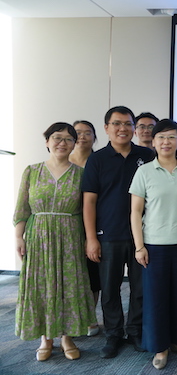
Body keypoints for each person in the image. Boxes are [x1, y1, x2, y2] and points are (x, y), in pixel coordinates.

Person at [14, 122, 96, 361]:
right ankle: (46, 338)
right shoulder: (32, 171)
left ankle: (67, 337)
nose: (63, 143)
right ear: (47, 141)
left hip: (70, 236)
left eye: (69, 139)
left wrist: (88, 239)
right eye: (57, 138)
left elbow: (88, 209)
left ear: (74, 144)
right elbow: (22, 208)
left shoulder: (81, 174)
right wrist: (18, 236)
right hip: (39, 237)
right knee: (42, 286)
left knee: (69, 286)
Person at [130, 119, 177, 370]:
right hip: (155, 245)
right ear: (153, 141)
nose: (166, 142)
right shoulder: (144, 172)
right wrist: (139, 246)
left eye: (171, 137)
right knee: (157, 299)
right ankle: (160, 347)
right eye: (161, 137)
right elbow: (135, 211)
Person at [82, 106, 154, 358]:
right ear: (106, 128)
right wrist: (91, 238)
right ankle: (113, 334)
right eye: (117, 123)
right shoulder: (97, 159)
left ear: (134, 128)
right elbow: (89, 201)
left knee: (140, 287)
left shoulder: (147, 155)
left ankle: (135, 330)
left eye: (128, 124)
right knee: (110, 288)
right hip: (108, 234)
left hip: (142, 235)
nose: (123, 128)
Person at [70, 120, 102, 337]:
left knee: (92, 273)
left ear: (94, 137)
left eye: (87, 133)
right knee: (70, 273)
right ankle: (70, 318)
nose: (82, 136)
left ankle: (90, 317)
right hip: (69, 224)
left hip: (95, 222)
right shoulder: (63, 160)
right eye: (78, 133)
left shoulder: (99, 161)